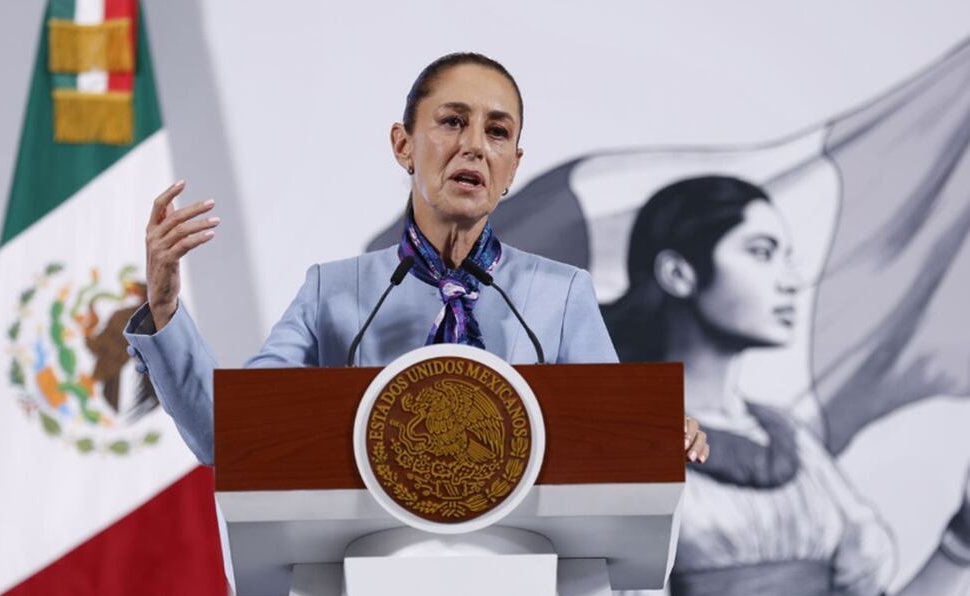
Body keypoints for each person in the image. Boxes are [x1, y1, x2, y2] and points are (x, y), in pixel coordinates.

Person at [122, 52, 709, 468]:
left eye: (497, 132)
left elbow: (613, 441)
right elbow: (227, 435)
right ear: (404, 145)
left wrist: (655, 434)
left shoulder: (559, 294)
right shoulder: (335, 292)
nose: (474, 145)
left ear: (512, 167)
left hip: (523, 583)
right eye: (452, 122)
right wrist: (165, 308)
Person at [607, 175, 970, 596]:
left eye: (786, 256)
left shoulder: (791, 440)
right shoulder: (618, 439)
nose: (791, 280)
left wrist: (962, 537)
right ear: (678, 273)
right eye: (761, 252)